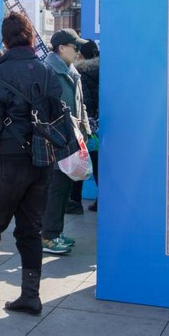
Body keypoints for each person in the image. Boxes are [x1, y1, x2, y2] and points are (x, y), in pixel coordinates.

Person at [0, 12, 61, 316]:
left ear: (4, 41)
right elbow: (57, 112)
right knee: (30, 229)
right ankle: (30, 295)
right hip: (41, 160)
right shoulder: (46, 71)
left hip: (7, 159)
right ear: (31, 37)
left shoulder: (2, 72)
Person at [41, 28, 91, 255]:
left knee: (64, 187)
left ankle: (56, 232)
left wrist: (85, 130)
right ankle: (48, 237)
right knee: (55, 188)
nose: (78, 50)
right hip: (56, 139)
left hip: (72, 138)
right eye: (75, 46)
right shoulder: (47, 70)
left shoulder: (71, 70)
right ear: (61, 48)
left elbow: (81, 105)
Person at [70, 40, 100, 213]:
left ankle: (74, 201)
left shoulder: (80, 72)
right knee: (97, 164)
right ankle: (102, 198)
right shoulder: (104, 70)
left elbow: (84, 102)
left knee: (78, 161)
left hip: (86, 125)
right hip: (101, 124)